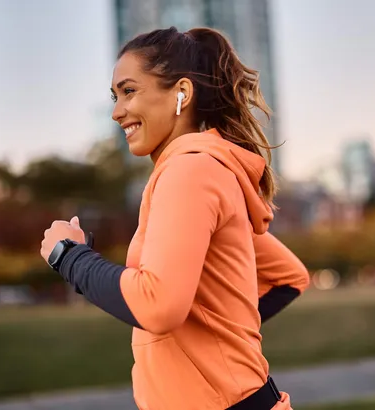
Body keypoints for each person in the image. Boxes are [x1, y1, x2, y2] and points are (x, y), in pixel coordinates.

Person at [39, 26, 310, 410]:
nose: (117, 111)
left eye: (129, 91)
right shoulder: (204, 172)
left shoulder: (190, 172)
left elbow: (158, 305)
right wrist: (215, 332)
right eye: (115, 96)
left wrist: (68, 256)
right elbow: (290, 275)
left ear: (181, 92)